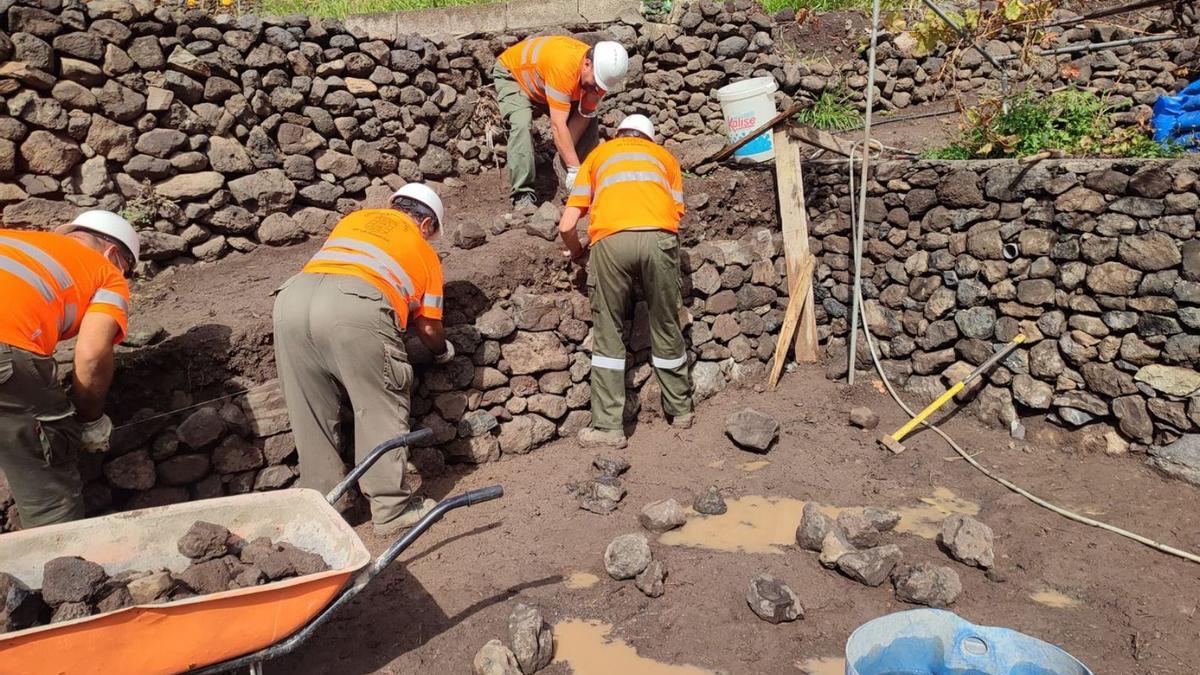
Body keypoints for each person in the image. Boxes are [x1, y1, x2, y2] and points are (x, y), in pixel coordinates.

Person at [273, 184, 454, 536]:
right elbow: (429, 326)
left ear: (394, 206)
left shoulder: (353, 221)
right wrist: (442, 351)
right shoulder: (423, 250)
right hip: (356, 306)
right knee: (378, 405)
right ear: (427, 224)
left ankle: (327, 509)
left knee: (310, 413)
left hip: (291, 300)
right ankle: (392, 508)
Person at [557, 114, 693, 449]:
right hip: (659, 240)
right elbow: (676, 214)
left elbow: (566, 226)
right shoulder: (665, 158)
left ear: (618, 135)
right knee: (666, 323)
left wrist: (577, 253)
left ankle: (608, 429)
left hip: (610, 243)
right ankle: (681, 409)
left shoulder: (599, 156)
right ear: (650, 138)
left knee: (609, 333)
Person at [0, 211, 139, 528]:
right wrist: (90, 419)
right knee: (50, 501)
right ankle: (59, 570)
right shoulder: (106, 272)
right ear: (113, 253)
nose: (124, 277)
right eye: (127, 271)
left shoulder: (14, 240)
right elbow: (92, 355)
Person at [492, 36, 630, 208]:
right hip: (514, 75)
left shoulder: (599, 77)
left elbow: (583, 115)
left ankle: (584, 185)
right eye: (596, 83)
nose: (598, 89)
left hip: (545, 82)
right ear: (587, 64)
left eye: (602, 86)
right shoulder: (564, 67)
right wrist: (573, 169)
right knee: (521, 123)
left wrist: (570, 165)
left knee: (590, 120)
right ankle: (522, 195)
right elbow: (558, 127)